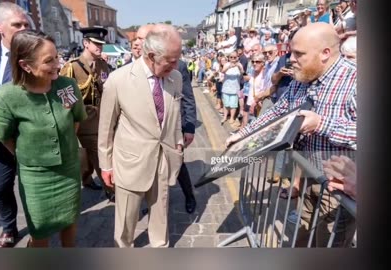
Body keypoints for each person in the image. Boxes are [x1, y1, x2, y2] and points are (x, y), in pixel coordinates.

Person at [225, 22, 356, 247]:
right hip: (307, 175)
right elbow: (279, 111)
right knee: (301, 235)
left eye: (298, 54)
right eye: (290, 52)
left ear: (325, 53)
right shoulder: (301, 78)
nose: (290, 59)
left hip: (340, 188)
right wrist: (244, 133)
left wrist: (321, 124)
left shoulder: (355, 81)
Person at [0, 30, 87, 247]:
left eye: (57, 57)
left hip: (69, 170)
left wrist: (66, 145)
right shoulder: (3, 97)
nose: (57, 64)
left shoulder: (67, 86)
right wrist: (32, 155)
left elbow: (76, 120)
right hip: (36, 177)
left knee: (70, 221)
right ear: (26, 65)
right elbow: (5, 137)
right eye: (49, 60)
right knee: (40, 229)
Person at [98, 24, 184, 247]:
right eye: (171, 60)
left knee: (160, 215)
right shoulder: (118, 80)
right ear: (152, 55)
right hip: (131, 162)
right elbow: (106, 128)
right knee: (126, 220)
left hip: (163, 159)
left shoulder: (175, 77)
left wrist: (178, 141)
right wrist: (106, 165)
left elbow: (174, 114)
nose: (176, 65)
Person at [0, 2, 30, 248]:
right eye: (17, 25)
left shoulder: (38, 56)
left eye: (26, 25)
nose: (23, 29)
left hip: (31, 140)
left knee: (31, 188)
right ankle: (9, 229)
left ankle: (39, 226)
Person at [136, 23, 197, 214]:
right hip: (145, 131)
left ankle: (189, 196)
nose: (138, 43)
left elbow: (187, 97)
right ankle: (152, 201)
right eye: (136, 39)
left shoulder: (178, 66)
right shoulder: (132, 66)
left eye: (142, 39)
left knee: (178, 164)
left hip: (171, 128)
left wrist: (189, 128)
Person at [59, 27, 115, 201]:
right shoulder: (72, 67)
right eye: (96, 44)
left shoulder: (103, 64)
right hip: (83, 118)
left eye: (101, 44)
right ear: (86, 43)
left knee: (91, 155)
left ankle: (87, 178)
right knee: (99, 154)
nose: (100, 47)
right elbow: (64, 95)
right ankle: (111, 188)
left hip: (103, 116)